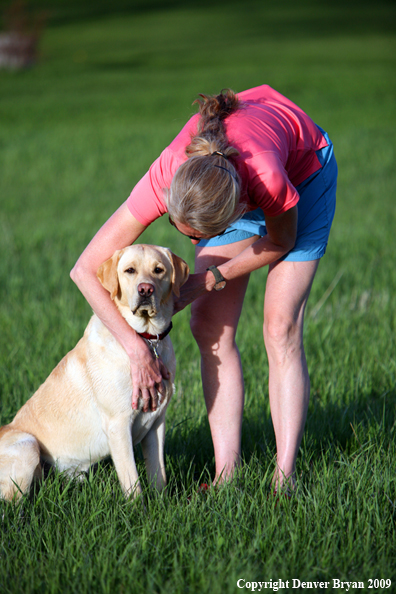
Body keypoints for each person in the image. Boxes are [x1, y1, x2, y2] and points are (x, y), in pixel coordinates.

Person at [71, 84, 337, 494]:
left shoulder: (268, 180)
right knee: (209, 326)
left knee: (280, 326)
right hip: (226, 181)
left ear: (233, 215)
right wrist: (136, 348)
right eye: (183, 233)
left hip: (306, 170)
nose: (191, 243)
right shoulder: (166, 174)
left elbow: (280, 242)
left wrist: (210, 278)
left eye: (200, 237)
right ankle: (226, 476)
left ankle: (285, 477)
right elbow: (84, 270)